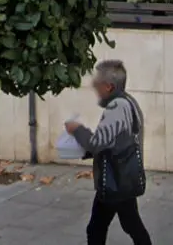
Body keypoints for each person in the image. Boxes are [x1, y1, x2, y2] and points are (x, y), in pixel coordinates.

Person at [64, 60, 153, 245]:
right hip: (123, 178)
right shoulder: (129, 101)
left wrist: (77, 129)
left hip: (116, 181)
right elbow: (114, 141)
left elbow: (97, 143)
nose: (94, 87)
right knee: (130, 225)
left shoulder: (117, 107)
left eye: (97, 84)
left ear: (109, 86)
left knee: (97, 229)